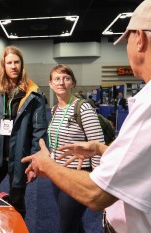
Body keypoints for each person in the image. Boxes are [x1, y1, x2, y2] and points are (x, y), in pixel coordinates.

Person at [22, 0, 151, 232]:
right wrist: (101, 149)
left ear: (139, 39)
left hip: (94, 187)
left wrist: (47, 164)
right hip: (70, 177)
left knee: (68, 225)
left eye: (127, 41)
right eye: (56, 79)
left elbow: (98, 193)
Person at [0, 45, 47, 218]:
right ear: (4, 66)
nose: (13, 66)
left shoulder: (34, 95)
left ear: (22, 65)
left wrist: (34, 163)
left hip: (19, 157)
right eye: (9, 63)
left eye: (16, 62)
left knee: (16, 202)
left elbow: (39, 131)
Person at [48, 64, 104, 233]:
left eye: (66, 78)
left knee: (66, 227)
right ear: (50, 84)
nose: (61, 82)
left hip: (78, 176)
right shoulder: (55, 110)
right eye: (57, 79)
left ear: (73, 83)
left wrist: (96, 178)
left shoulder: (83, 108)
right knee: (74, 223)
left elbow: (97, 143)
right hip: (57, 174)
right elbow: (55, 143)